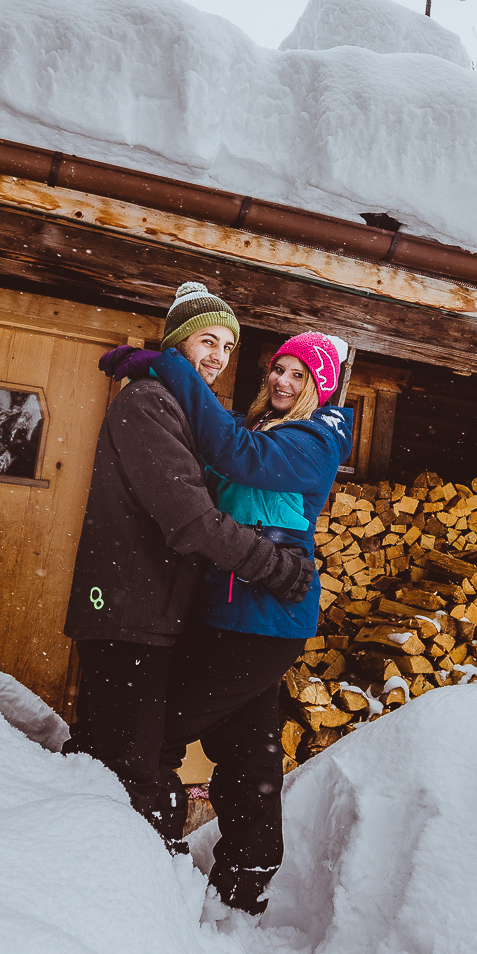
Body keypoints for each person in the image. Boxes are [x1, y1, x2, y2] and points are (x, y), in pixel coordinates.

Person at [63, 283, 314, 844]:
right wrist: (275, 567)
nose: (219, 356)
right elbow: (193, 520)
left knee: (126, 755)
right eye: (209, 340)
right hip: (127, 612)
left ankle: (129, 871)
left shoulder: (180, 407)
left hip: (152, 611)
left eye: (228, 346)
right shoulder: (149, 403)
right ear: (177, 342)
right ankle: (114, 879)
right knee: (128, 768)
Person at [116, 329, 354, 914]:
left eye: (301, 375)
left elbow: (234, 457)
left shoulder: (315, 438)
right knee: (249, 748)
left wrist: (175, 369)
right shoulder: (259, 431)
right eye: (279, 368)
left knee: (160, 730)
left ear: (318, 390)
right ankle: (247, 872)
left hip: (267, 618)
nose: (283, 381)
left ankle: (145, 846)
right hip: (232, 612)